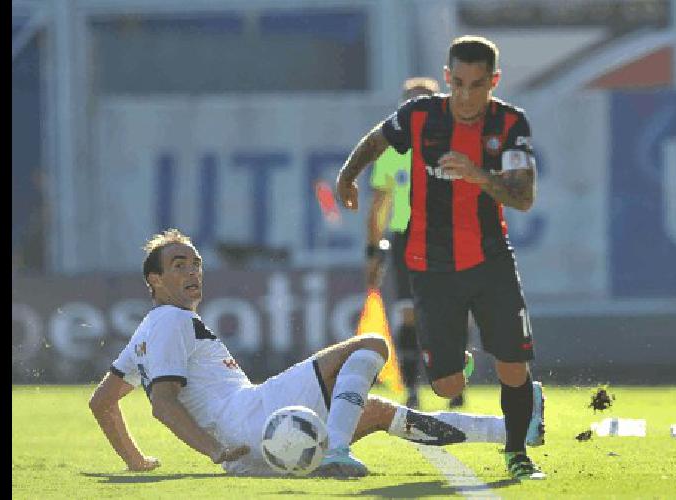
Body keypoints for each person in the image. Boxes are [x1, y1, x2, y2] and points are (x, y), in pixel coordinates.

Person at [89, 228, 545, 478]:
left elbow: (102, 402)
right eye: (178, 265)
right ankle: (336, 451)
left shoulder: (148, 331)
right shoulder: (172, 320)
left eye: (195, 263)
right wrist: (215, 450)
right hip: (250, 418)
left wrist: (135, 461)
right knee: (370, 345)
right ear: (154, 281)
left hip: (253, 443)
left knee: (377, 412)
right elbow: (162, 403)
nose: (192, 271)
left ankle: (515, 428)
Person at [335, 35, 547, 480]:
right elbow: (377, 140)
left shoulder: (509, 124)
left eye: (478, 85)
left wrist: (476, 174)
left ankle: (517, 453)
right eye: (460, 83)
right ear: (448, 78)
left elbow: (523, 197)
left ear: (494, 81)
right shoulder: (420, 116)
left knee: (513, 365)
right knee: (447, 384)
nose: (467, 96)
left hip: (491, 261)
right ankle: (457, 360)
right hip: (430, 265)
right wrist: (347, 177)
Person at [366, 76, 471, 410]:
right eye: (410, 102)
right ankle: (412, 388)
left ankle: (455, 385)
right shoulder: (391, 153)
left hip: (446, 235)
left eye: (422, 101)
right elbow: (378, 207)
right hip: (407, 238)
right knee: (408, 313)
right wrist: (373, 250)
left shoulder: (455, 147)